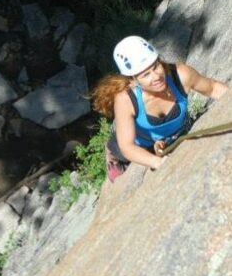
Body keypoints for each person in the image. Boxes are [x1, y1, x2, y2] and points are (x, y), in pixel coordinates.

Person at [92, 35, 228, 182]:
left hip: (173, 135)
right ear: (133, 80)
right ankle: (112, 157)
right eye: (146, 75)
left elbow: (213, 88)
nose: (156, 76)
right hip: (138, 144)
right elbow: (127, 147)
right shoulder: (126, 100)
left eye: (156, 66)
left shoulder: (180, 75)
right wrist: (157, 162)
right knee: (119, 151)